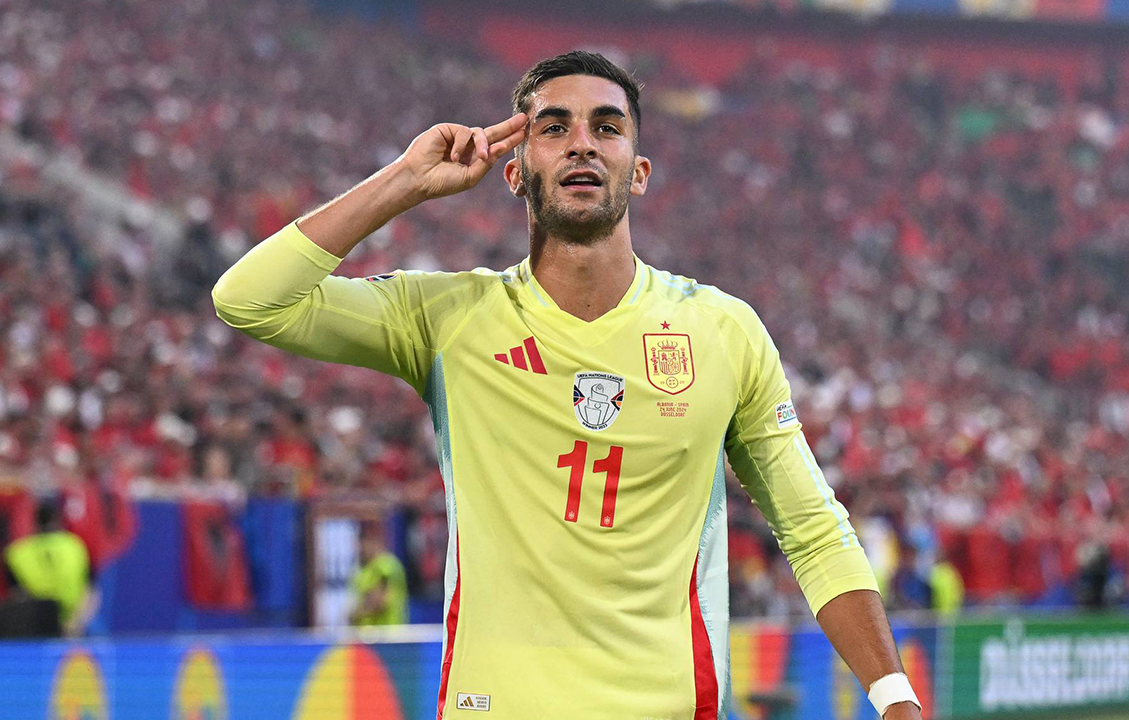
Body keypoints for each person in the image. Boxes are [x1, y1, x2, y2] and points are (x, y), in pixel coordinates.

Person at [213, 51, 922, 719]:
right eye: (554, 128)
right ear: (514, 171)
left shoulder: (721, 330)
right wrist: (405, 180)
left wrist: (896, 698)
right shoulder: (447, 318)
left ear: (638, 172)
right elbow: (249, 300)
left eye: (606, 128)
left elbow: (813, 531)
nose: (582, 143)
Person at [2, 499, 98, 637]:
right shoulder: (75, 546)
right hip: (71, 623)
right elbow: (90, 590)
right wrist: (75, 623)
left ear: (34, 522)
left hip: (33, 625)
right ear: (58, 520)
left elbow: (17, 595)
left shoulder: (17, 553)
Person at [349, 521, 409, 627]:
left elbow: (378, 601)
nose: (360, 548)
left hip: (387, 634)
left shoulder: (386, 566)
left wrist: (356, 613)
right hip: (366, 634)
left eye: (364, 542)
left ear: (375, 542)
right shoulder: (361, 570)